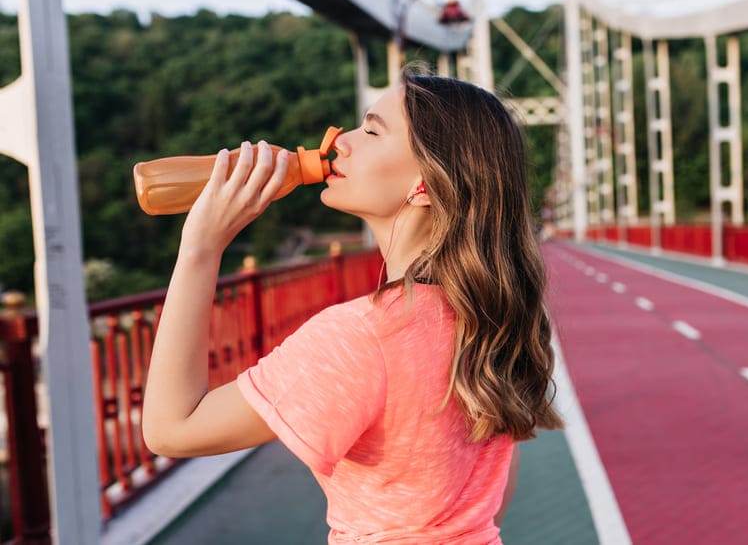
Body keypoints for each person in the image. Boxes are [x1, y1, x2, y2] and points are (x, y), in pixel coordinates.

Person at [141, 66, 564, 544]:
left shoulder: (363, 335)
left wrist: (200, 246)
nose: (341, 141)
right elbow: (493, 495)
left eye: (371, 130)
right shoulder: (491, 318)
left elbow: (170, 429)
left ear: (424, 185)